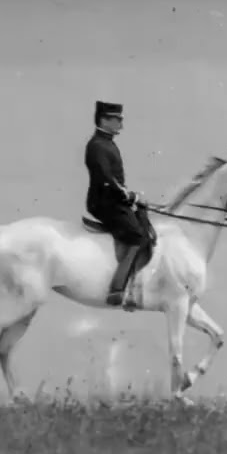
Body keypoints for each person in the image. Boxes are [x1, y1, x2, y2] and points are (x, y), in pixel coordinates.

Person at [85, 100, 154, 308]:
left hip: (113, 199)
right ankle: (117, 289)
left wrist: (131, 197)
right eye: (117, 120)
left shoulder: (106, 143)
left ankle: (135, 284)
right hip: (104, 202)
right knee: (136, 236)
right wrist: (131, 197)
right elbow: (107, 180)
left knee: (144, 223)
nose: (121, 126)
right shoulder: (97, 146)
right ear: (104, 120)